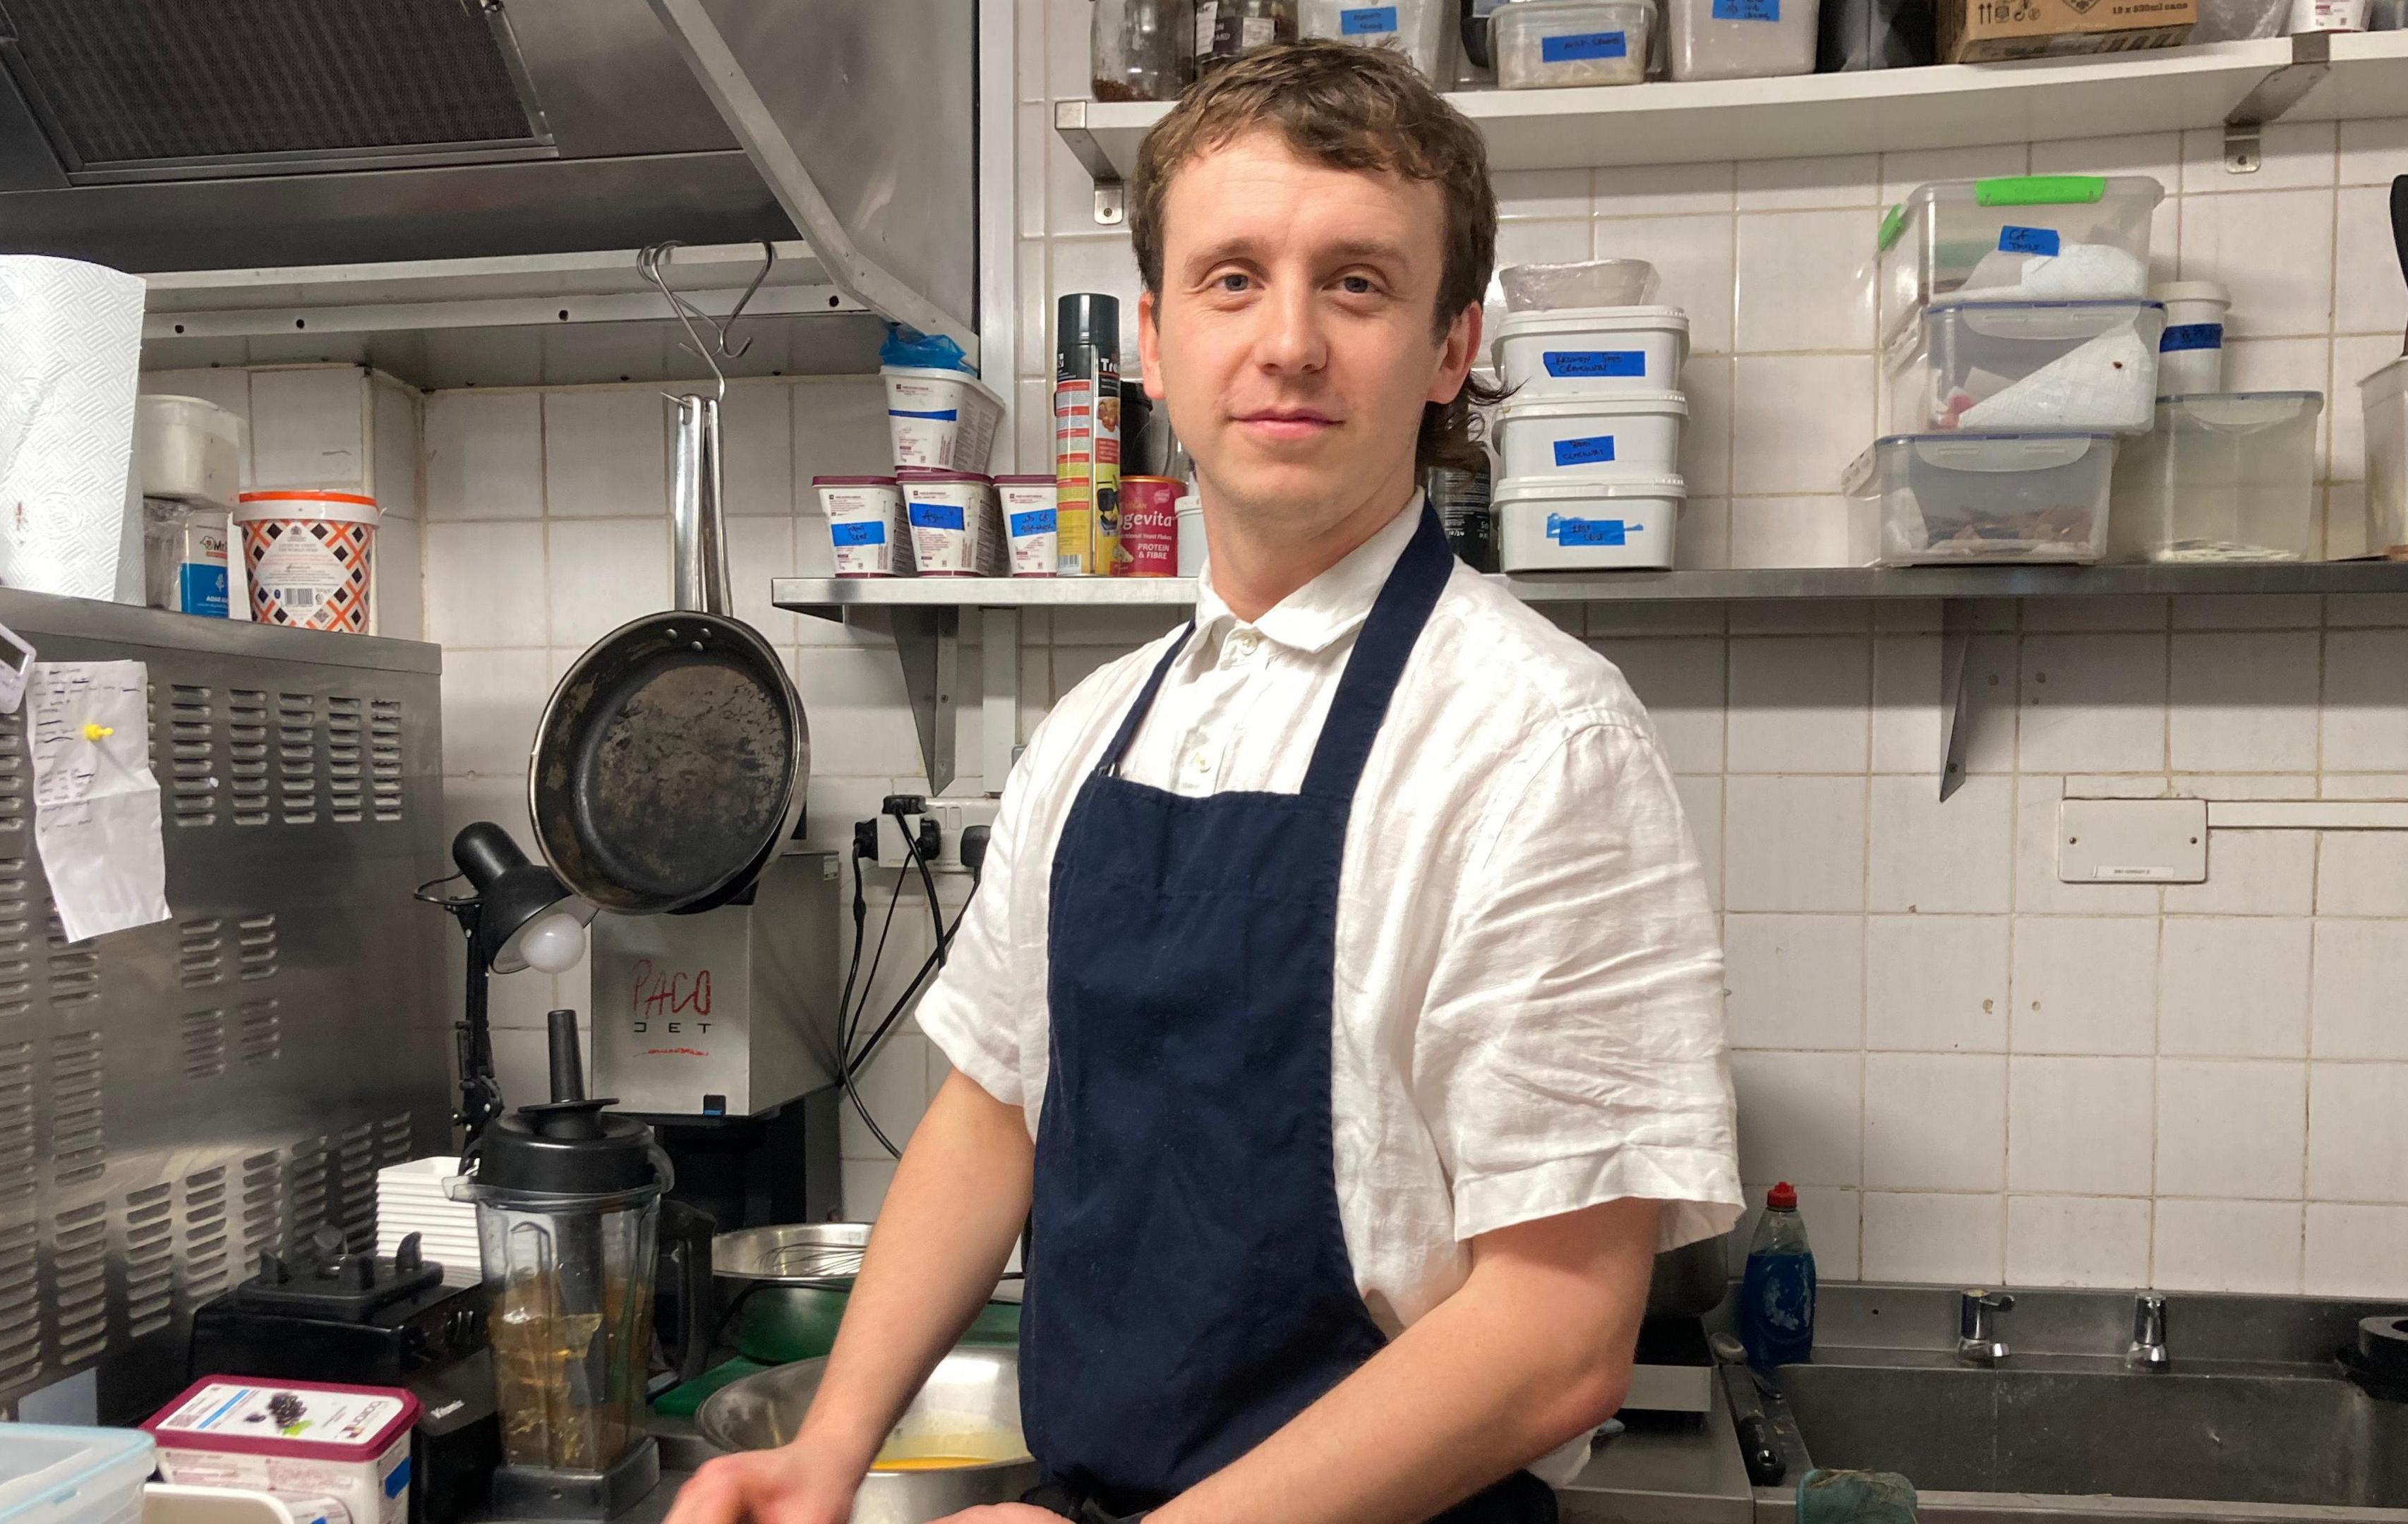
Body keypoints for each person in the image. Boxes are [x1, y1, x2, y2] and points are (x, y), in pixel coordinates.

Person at [668, 40, 1738, 1524]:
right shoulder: (1097, 730)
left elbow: (1558, 1341)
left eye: (1356, 282)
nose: (1288, 340)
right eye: (1232, 279)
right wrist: (828, 1446)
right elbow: (993, 1112)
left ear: (1448, 349)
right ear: (1156, 345)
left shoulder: (1539, 745)